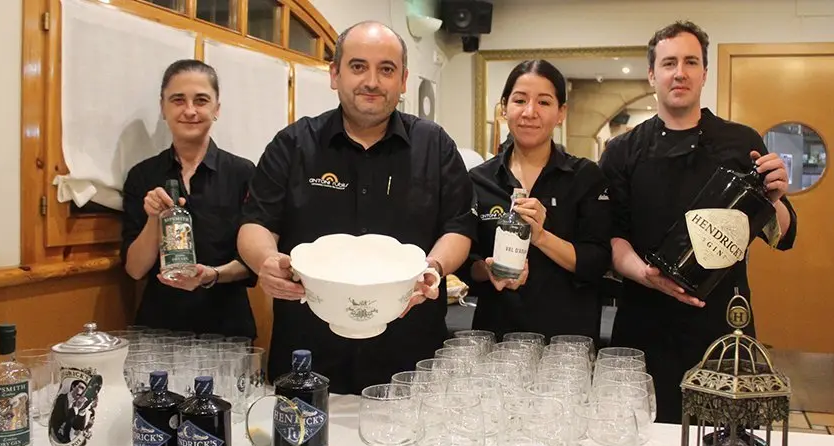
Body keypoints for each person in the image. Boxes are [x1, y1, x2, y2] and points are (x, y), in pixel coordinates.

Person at [237, 21, 476, 394]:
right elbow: (255, 224)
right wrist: (265, 260)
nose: (372, 81)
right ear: (335, 74)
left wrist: (434, 267)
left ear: (403, 80)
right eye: (358, 66)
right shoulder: (293, 144)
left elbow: (459, 227)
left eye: (386, 69)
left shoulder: (436, 145)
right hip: (307, 353)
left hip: (409, 352)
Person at [599, 21, 798, 424]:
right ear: (652, 74)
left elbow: (782, 233)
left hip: (722, 325)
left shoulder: (742, 142)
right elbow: (612, 238)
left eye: (691, 62)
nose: (680, 72)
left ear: (705, 72)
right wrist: (646, 274)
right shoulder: (623, 151)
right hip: (644, 318)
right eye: (669, 62)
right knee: (640, 437)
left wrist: (774, 200)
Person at [465, 60, 612, 343]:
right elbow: (467, 262)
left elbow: (596, 261)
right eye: (520, 100)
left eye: (544, 102)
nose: (530, 112)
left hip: (567, 339)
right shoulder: (479, 179)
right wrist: (490, 269)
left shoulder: (585, 177)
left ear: (561, 113)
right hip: (497, 334)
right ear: (505, 108)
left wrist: (542, 236)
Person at [121, 59, 257, 339]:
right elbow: (135, 269)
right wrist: (154, 220)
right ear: (163, 107)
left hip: (228, 328)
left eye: (201, 100)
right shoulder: (142, 175)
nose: (190, 110)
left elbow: (251, 262)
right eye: (178, 100)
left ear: (216, 109)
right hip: (159, 328)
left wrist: (212, 275)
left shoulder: (243, 173)